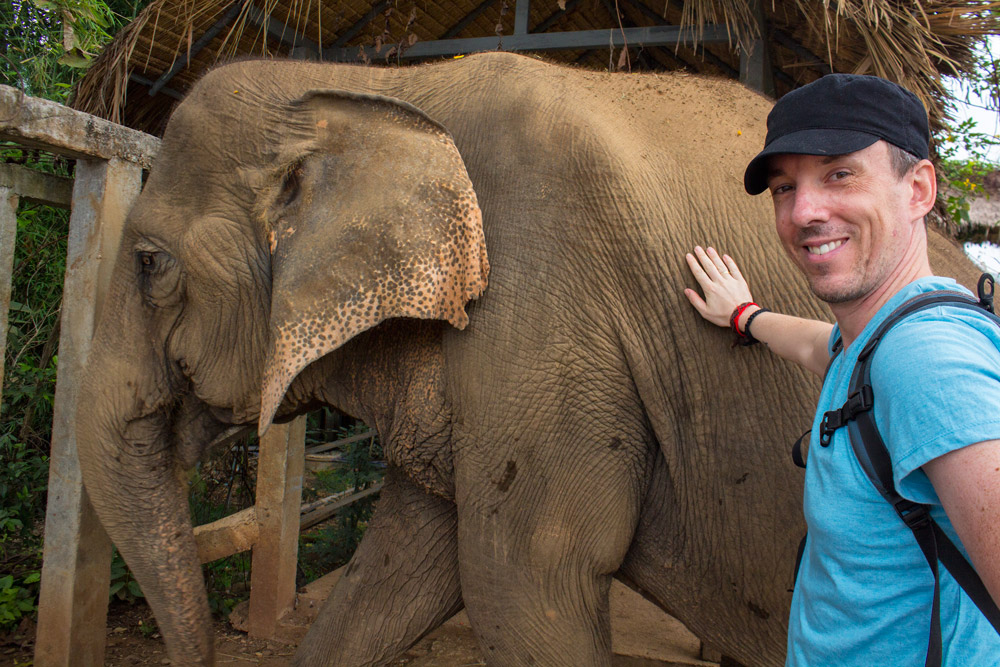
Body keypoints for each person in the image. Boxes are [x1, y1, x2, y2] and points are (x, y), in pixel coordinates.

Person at [684, 74, 1000, 665]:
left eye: (840, 173)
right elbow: (816, 345)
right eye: (785, 186)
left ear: (918, 189)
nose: (804, 211)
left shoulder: (924, 362)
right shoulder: (875, 344)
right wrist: (745, 316)